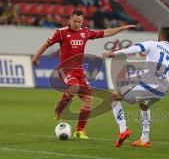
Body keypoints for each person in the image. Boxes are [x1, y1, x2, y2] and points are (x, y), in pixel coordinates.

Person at [32, 10, 135, 139]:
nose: (77, 24)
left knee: (88, 100)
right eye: (75, 21)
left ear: (83, 21)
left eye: (79, 22)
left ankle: (79, 131)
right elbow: (46, 45)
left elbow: (105, 33)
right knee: (74, 87)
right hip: (66, 70)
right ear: (70, 19)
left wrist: (123, 28)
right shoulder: (61, 33)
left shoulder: (85, 32)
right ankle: (60, 108)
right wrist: (36, 58)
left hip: (80, 71)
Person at [103, 27, 169, 147]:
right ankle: (145, 138)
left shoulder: (153, 44)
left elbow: (135, 48)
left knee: (114, 96)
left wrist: (115, 53)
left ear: (161, 36)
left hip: (149, 84)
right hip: (163, 89)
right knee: (144, 106)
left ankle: (123, 130)